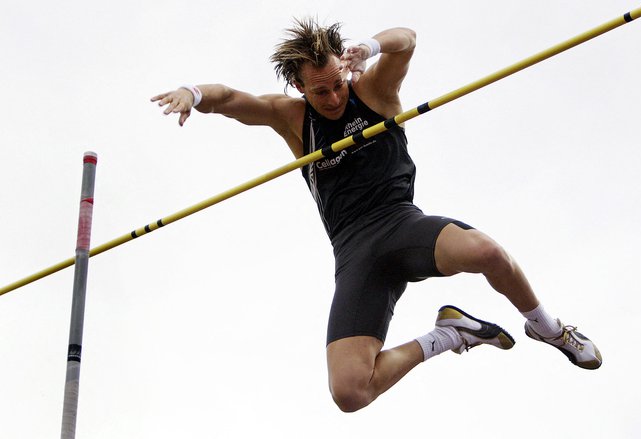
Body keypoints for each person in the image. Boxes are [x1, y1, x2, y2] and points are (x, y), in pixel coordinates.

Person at [151, 18, 602, 413]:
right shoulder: (290, 117)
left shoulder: (374, 91)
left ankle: (551, 330)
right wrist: (192, 94)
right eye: (319, 90)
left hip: (400, 223)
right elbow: (228, 97)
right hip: (354, 252)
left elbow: (406, 39)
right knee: (350, 392)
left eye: (337, 83)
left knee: (486, 252)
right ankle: (450, 335)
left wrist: (369, 47)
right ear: (299, 87)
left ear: (346, 71)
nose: (332, 97)